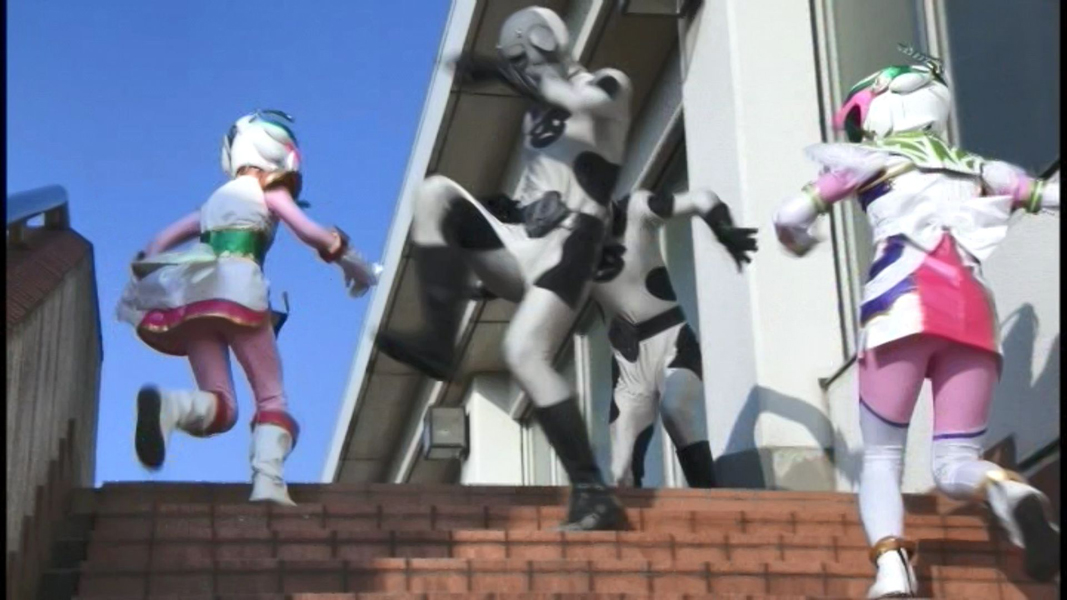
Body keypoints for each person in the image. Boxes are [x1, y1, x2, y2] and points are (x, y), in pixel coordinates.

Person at [772, 50, 1060, 597]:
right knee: (956, 462)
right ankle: (1012, 492)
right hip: (974, 319)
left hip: (898, 310)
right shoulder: (979, 168)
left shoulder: (866, 160)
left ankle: (890, 571)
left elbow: (789, 216)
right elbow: (1047, 197)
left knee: (882, 457)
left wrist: (799, 241)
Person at [375, 6, 632, 531]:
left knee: (523, 353)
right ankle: (437, 341)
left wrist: (500, 72)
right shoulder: (535, 118)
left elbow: (580, 101)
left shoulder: (608, 84)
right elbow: (534, 188)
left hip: (574, 243)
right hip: (525, 245)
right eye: (513, 60)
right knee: (436, 194)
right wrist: (501, 215)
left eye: (521, 56)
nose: (521, 67)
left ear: (544, 41)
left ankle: (592, 492)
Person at [117, 110, 381, 506]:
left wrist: (146, 278)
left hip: (192, 294)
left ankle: (172, 408)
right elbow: (310, 233)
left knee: (221, 404)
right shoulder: (269, 192)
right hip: (240, 290)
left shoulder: (210, 204)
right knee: (271, 397)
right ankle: (268, 484)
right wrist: (354, 264)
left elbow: (156, 245)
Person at [592, 188, 756, 488]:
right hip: (629, 365)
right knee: (621, 470)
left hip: (673, 341)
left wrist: (722, 227)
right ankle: (639, 517)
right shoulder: (571, 252)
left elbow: (700, 198)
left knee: (676, 409)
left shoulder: (637, 210)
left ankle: (711, 500)